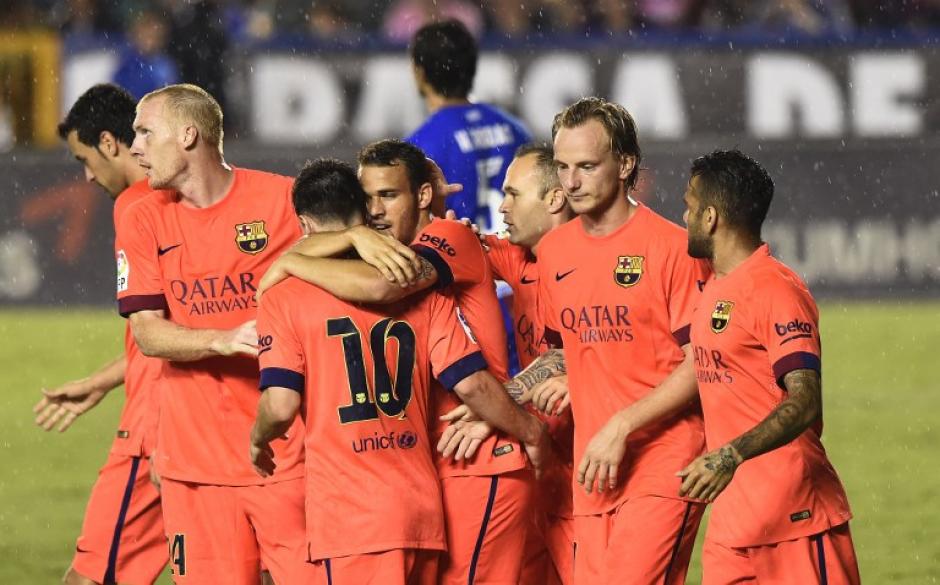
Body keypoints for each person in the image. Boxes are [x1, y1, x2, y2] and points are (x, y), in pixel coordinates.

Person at [249, 158, 548, 585]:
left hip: (474, 462)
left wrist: (527, 430)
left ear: (423, 196)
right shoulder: (419, 290)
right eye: (368, 199)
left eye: (388, 195)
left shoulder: (434, 248)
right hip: (428, 486)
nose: (376, 211)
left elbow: (384, 288)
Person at [504, 97, 711, 584]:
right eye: (562, 166)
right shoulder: (554, 252)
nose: (571, 181)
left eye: (586, 166)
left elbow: (700, 364)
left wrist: (621, 425)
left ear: (625, 164)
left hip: (663, 459)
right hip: (593, 469)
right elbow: (563, 350)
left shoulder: (672, 249)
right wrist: (498, 401)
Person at [116, 83, 310, 584]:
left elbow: (354, 254)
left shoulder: (284, 199)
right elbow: (148, 335)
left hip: (287, 455)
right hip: (194, 468)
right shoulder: (141, 219)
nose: (133, 146)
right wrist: (220, 339)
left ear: (187, 134)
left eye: (144, 131)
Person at [677, 149, 860, 584]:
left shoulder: (775, 290)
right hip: (731, 526)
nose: (683, 217)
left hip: (796, 521)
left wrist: (731, 454)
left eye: (688, 206)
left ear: (710, 218)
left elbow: (806, 400)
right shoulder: (714, 285)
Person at [35, 83, 167, 585]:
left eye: (85, 159)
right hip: (216, 424)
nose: (88, 176)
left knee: (90, 576)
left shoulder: (136, 206)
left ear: (111, 143)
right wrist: (105, 379)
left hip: (153, 429)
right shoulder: (187, 198)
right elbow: (179, 325)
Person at [481, 143, 575, 585]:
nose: (502, 205)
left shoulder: (596, 265)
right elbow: (450, 245)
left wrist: (493, 404)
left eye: (513, 194)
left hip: (596, 465)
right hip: (541, 461)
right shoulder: (520, 260)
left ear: (554, 199)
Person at [407, 19, 532, 231]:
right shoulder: (516, 129)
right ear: (471, 67)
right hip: (513, 256)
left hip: (460, 258)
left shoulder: (418, 146)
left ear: (420, 73)